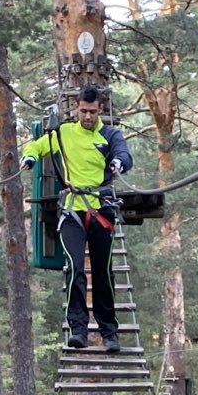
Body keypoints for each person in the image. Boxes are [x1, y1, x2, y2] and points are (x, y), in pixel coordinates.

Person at [21, 84, 132, 353]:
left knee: (103, 271)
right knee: (74, 267)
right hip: (72, 209)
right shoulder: (63, 133)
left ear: (100, 109)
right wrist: (30, 157)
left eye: (92, 111)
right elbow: (37, 145)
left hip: (101, 208)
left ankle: (109, 332)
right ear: (76, 108)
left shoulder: (110, 135)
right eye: (83, 111)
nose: (88, 116)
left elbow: (124, 154)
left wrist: (118, 163)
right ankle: (78, 329)